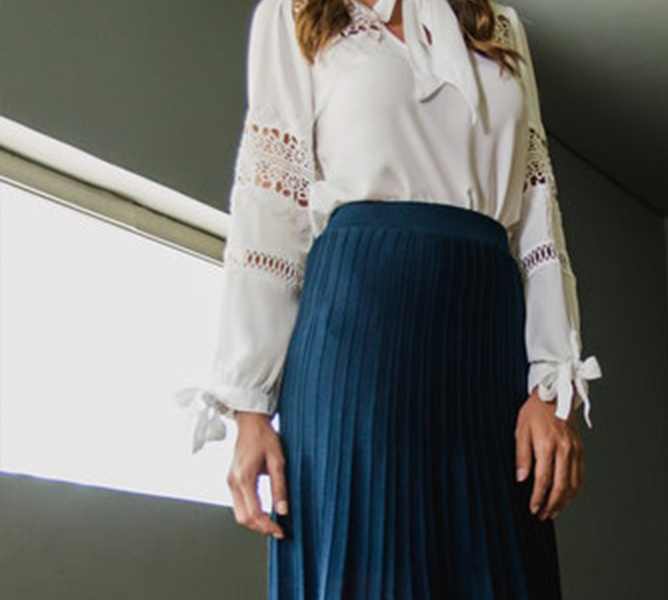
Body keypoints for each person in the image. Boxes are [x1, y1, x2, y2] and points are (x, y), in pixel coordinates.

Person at [173, 0, 602, 598]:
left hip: (487, 334)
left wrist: (550, 383)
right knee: (367, 564)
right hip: (358, 333)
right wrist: (249, 409)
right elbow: (269, 210)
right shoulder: (292, 13)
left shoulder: (497, 25)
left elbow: (536, 212)